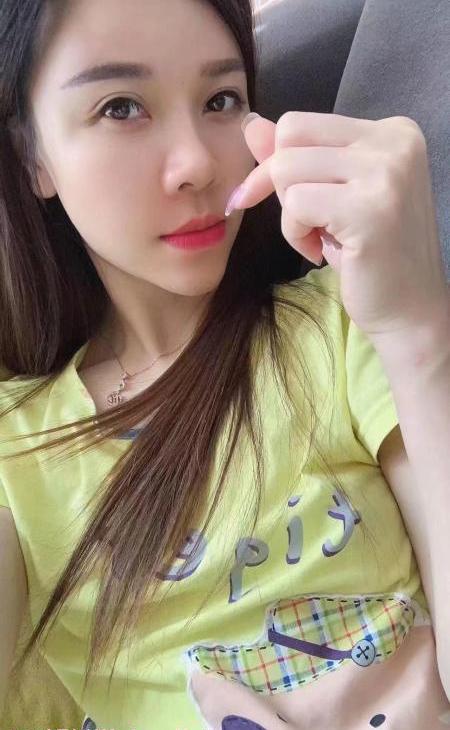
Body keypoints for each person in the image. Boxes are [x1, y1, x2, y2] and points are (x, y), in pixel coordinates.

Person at [0, 0, 449, 728]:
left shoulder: (343, 326)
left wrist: (415, 326)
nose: (198, 164)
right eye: (121, 107)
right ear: (32, 156)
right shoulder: (17, 443)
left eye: (221, 100)